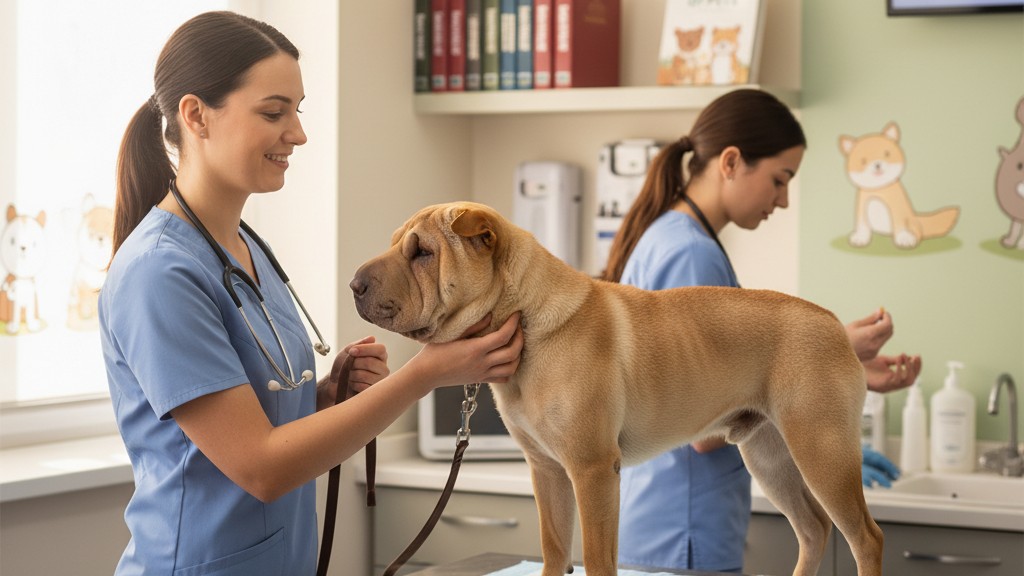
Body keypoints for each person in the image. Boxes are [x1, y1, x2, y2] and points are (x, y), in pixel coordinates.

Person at [100, 11, 523, 575]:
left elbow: (259, 415)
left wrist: (324, 396)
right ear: (196, 116)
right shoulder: (159, 273)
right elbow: (261, 467)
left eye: (297, 112)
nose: (297, 134)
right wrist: (424, 374)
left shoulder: (246, 247)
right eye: (274, 112)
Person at [602, 89, 920, 573]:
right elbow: (701, 420)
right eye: (780, 179)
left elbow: (718, 368)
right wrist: (816, 357)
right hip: (681, 533)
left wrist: (832, 359)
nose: (785, 200)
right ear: (731, 162)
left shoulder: (672, 237)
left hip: (666, 522)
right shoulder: (692, 255)